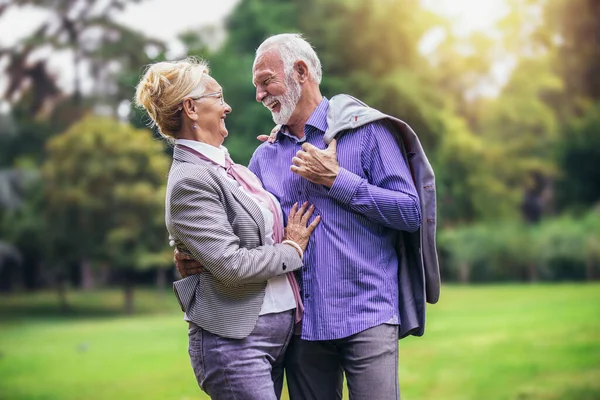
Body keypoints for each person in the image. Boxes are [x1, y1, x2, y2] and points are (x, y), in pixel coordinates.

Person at [177, 33, 441, 400]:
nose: (258, 95)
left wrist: (337, 180)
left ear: (300, 72)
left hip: (368, 315)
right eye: (256, 86)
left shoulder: (368, 133)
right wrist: (197, 256)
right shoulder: (263, 158)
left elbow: (411, 212)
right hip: (303, 329)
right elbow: (248, 232)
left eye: (266, 81)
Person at [135, 57, 321, 400]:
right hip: (235, 342)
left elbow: (249, 235)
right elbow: (231, 265)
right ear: (191, 108)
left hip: (277, 331)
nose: (228, 106)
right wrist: (293, 249)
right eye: (217, 97)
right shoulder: (191, 180)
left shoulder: (230, 166)